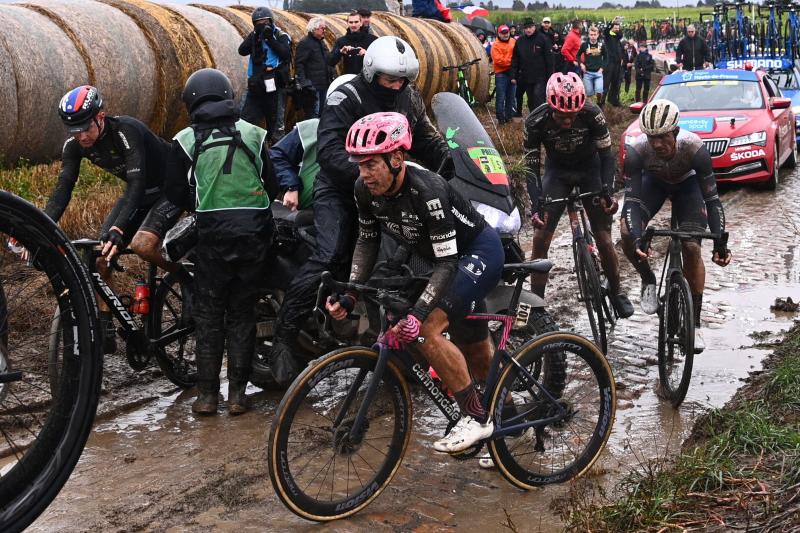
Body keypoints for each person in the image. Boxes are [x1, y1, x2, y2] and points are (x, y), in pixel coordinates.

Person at [268, 36, 453, 387]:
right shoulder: (345, 97)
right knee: (331, 252)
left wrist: (452, 161)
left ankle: (396, 348)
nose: (396, 85)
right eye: (389, 79)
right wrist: (370, 176)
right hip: (339, 189)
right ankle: (285, 336)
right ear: (371, 73)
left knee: (400, 260)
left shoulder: (408, 97)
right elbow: (329, 151)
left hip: (387, 191)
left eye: (402, 79)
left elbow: (425, 139)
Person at [326, 112, 502, 453]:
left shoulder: (428, 190)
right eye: (359, 165)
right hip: (438, 260)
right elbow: (367, 241)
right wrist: (350, 294)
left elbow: (449, 261)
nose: (363, 173)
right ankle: (503, 424)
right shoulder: (364, 189)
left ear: (396, 158)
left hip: (476, 253)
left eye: (371, 164)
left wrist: (419, 313)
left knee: (425, 328)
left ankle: (476, 418)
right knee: (478, 353)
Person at [165, 68, 275, 415]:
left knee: (210, 315)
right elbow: (271, 183)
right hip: (254, 234)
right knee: (242, 313)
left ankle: (207, 397)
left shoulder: (185, 140)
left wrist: (202, 201)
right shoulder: (255, 134)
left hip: (212, 234)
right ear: (229, 96)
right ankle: (239, 397)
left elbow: (175, 192)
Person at [47, 85, 186, 355]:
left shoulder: (126, 131)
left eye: (86, 127)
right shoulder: (75, 146)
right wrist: (39, 226)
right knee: (101, 258)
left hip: (171, 188)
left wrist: (118, 228)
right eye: (73, 130)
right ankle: (106, 328)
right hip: (142, 193)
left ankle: (191, 281)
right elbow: (63, 189)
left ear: (100, 116)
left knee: (143, 245)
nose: (82, 136)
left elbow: (136, 183)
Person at [620, 99, 730, 352]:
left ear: (676, 132)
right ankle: (647, 279)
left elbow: (712, 200)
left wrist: (720, 242)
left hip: (687, 187)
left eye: (663, 137)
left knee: (692, 247)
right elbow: (632, 203)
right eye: (652, 137)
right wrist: (638, 238)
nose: (657, 144)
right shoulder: (637, 151)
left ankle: (695, 324)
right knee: (626, 233)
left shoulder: (694, 148)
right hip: (654, 184)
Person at [524, 72, 634, 318]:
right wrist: (536, 203)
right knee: (540, 238)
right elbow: (530, 167)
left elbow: (607, 156)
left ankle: (616, 291)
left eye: (572, 115)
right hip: (558, 173)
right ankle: (537, 308)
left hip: (590, 170)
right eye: (561, 115)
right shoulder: (535, 122)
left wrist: (608, 190)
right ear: (551, 107)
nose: (567, 121)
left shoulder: (592, 113)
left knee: (605, 240)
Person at [269, 74, 357, 211]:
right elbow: (277, 155)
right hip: (309, 210)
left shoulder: (372, 136)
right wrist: (291, 186)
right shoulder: (310, 128)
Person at [238, 6, 292, 143]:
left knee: (276, 125)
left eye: (265, 22)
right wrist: (254, 36)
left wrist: (270, 39)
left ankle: (276, 156)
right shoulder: (255, 36)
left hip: (274, 85)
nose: (262, 25)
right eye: (258, 23)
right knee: (245, 121)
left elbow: (286, 54)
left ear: (271, 21)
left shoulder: (281, 35)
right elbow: (242, 50)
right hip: (255, 85)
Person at [295, 17, 335, 119]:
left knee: (322, 115)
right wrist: (305, 83)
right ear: (314, 28)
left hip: (324, 86)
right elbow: (299, 65)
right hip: (313, 89)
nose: (324, 31)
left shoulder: (321, 42)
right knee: (313, 116)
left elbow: (329, 60)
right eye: (322, 28)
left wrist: (339, 52)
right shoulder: (305, 43)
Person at [511, 17, 543, 115]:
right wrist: (513, 75)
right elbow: (515, 59)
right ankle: (528, 115)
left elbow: (549, 59)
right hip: (524, 75)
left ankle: (538, 116)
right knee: (525, 97)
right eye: (526, 28)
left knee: (537, 97)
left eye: (530, 27)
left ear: (534, 27)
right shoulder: (520, 41)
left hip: (539, 76)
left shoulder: (541, 39)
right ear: (524, 29)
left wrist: (549, 74)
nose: (528, 30)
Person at [329, 11, 377, 75]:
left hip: (367, 79)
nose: (353, 25)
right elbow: (331, 62)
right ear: (347, 23)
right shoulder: (341, 41)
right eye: (351, 22)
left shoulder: (372, 40)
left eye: (356, 22)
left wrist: (367, 54)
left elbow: (381, 61)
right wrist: (340, 52)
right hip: (350, 79)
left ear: (361, 23)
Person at [491, 25, 516, 124]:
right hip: (501, 73)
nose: (505, 35)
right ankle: (500, 117)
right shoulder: (495, 45)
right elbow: (499, 61)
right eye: (503, 33)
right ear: (499, 33)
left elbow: (517, 55)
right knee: (501, 97)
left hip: (512, 73)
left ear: (509, 32)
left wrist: (514, 62)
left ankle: (509, 116)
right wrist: (513, 61)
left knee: (511, 96)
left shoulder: (514, 41)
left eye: (507, 32)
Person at [577, 26, 606, 107]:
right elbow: (577, 55)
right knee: (588, 94)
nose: (593, 36)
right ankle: (590, 109)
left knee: (599, 91)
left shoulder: (602, 45)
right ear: (589, 35)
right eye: (591, 34)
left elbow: (606, 58)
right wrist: (581, 64)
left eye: (594, 34)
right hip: (587, 73)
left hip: (598, 73)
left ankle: (599, 103)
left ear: (598, 35)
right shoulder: (584, 45)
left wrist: (602, 68)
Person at [602, 17, 624, 107]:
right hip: (609, 63)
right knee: (606, 83)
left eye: (618, 28)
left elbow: (620, 34)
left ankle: (613, 100)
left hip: (617, 64)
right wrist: (612, 22)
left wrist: (618, 24)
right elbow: (605, 31)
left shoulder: (617, 38)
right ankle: (602, 102)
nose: (616, 29)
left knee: (616, 83)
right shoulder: (608, 36)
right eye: (615, 28)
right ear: (612, 28)